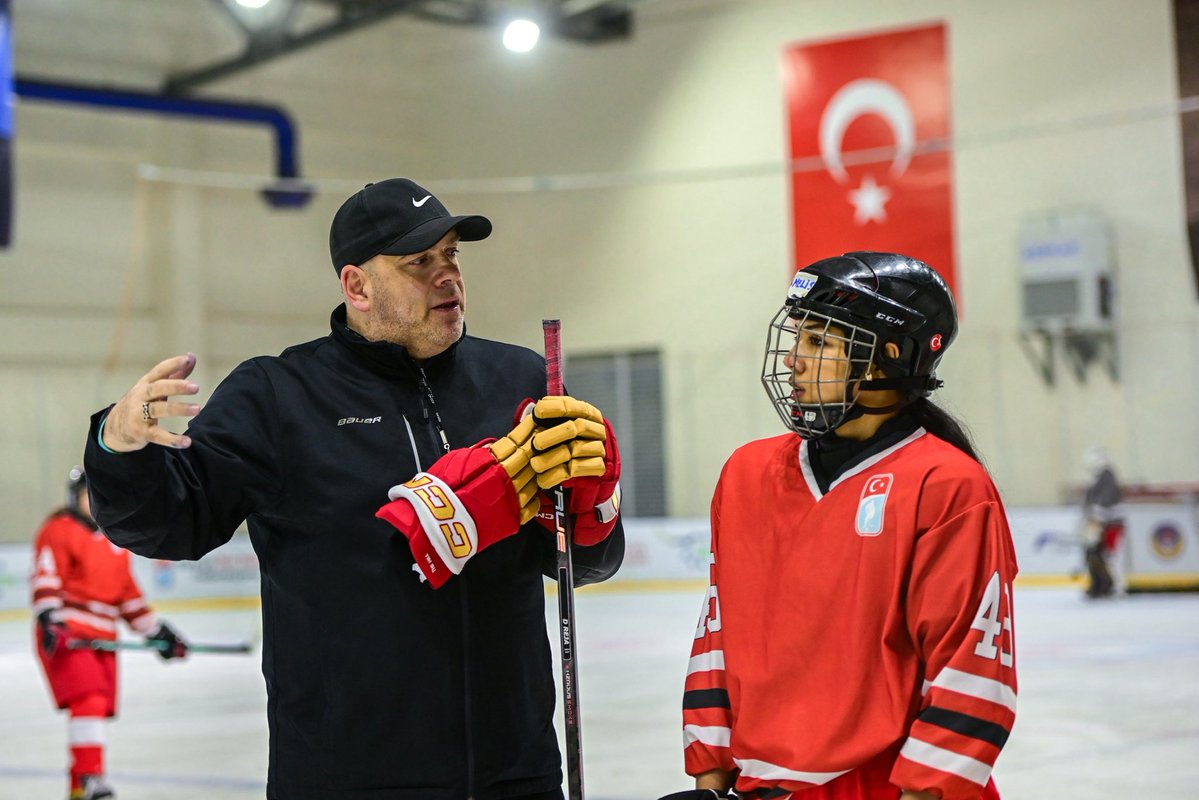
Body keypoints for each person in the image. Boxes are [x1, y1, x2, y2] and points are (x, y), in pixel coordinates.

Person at [82, 178, 625, 800]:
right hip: (345, 780)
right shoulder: (279, 395)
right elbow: (169, 524)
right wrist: (117, 448)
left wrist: (595, 507)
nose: (447, 274)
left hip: (516, 774)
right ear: (357, 286)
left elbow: (583, 563)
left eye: (451, 254)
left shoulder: (519, 380)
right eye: (419, 261)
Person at [662, 253, 1018, 800]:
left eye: (818, 342)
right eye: (797, 338)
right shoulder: (746, 475)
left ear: (886, 358)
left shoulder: (947, 486)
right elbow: (718, 637)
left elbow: (971, 670)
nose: (793, 361)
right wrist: (711, 785)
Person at [32, 466, 189, 800]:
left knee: (97, 707)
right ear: (74, 498)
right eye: (89, 496)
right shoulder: (59, 529)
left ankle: (78, 788)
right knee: (88, 700)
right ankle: (92, 777)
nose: (95, 502)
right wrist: (49, 617)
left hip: (103, 638)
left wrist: (159, 632)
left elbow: (129, 598)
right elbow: (47, 575)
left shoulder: (115, 541)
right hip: (70, 633)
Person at [1079, 446, 1124, 598]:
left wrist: (1096, 520)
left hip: (1108, 524)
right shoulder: (1100, 477)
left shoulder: (1106, 477)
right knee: (1094, 554)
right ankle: (1099, 585)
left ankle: (1109, 586)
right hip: (1101, 523)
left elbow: (1104, 501)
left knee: (1107, 556)